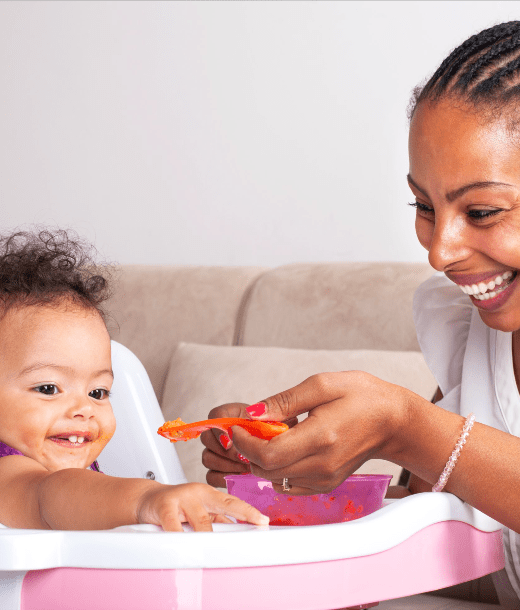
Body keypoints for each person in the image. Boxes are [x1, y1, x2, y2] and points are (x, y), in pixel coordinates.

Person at [200, 20, 520, 605]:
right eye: (423, 205)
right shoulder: (472, 336)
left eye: (481, 211)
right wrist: (299, 481)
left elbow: (427, 442)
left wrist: (406, 429)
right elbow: (465, 551)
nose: (438, 250)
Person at [0, 229, 268, 532]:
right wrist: (147, 499)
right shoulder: (9, 474)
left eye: (98, 392)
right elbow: (48, 495)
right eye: (48, 388)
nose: (84, 408)